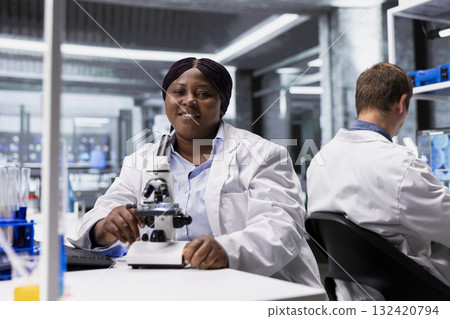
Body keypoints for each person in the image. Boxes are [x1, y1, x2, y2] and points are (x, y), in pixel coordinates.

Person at [70, 57, 322, 287]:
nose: (188, 100)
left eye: (203, 93)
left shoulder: (263, 155)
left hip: (255, 285)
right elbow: (105, 209)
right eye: (178, 92)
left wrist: (227, 249)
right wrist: (104, 226)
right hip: (165, 285)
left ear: (222, 104)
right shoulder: (142, 159)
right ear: (166, 100)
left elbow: (282, 228)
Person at [307, 62, 450, 300]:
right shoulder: (401, 166)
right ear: (401, 103)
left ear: (361, 102)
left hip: (349, 296)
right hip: (409, 294)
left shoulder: (321, 160)